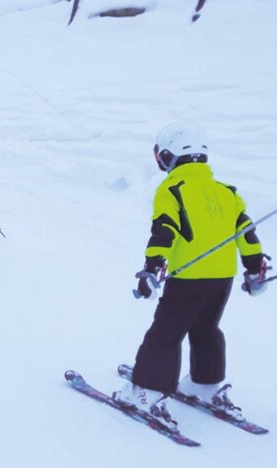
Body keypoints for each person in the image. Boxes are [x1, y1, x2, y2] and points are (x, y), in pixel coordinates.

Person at [113, 121, 269, 430]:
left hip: (188, 277)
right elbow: (247, 233)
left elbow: (164, 231)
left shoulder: (172, 189)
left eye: (160, 156)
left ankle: (146, 393)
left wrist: (152, 269)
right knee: (206, 328)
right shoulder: (227, 192)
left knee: (166, 333)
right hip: (221, 277)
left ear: (169, 156)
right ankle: (204, 384)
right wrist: (254, 269)